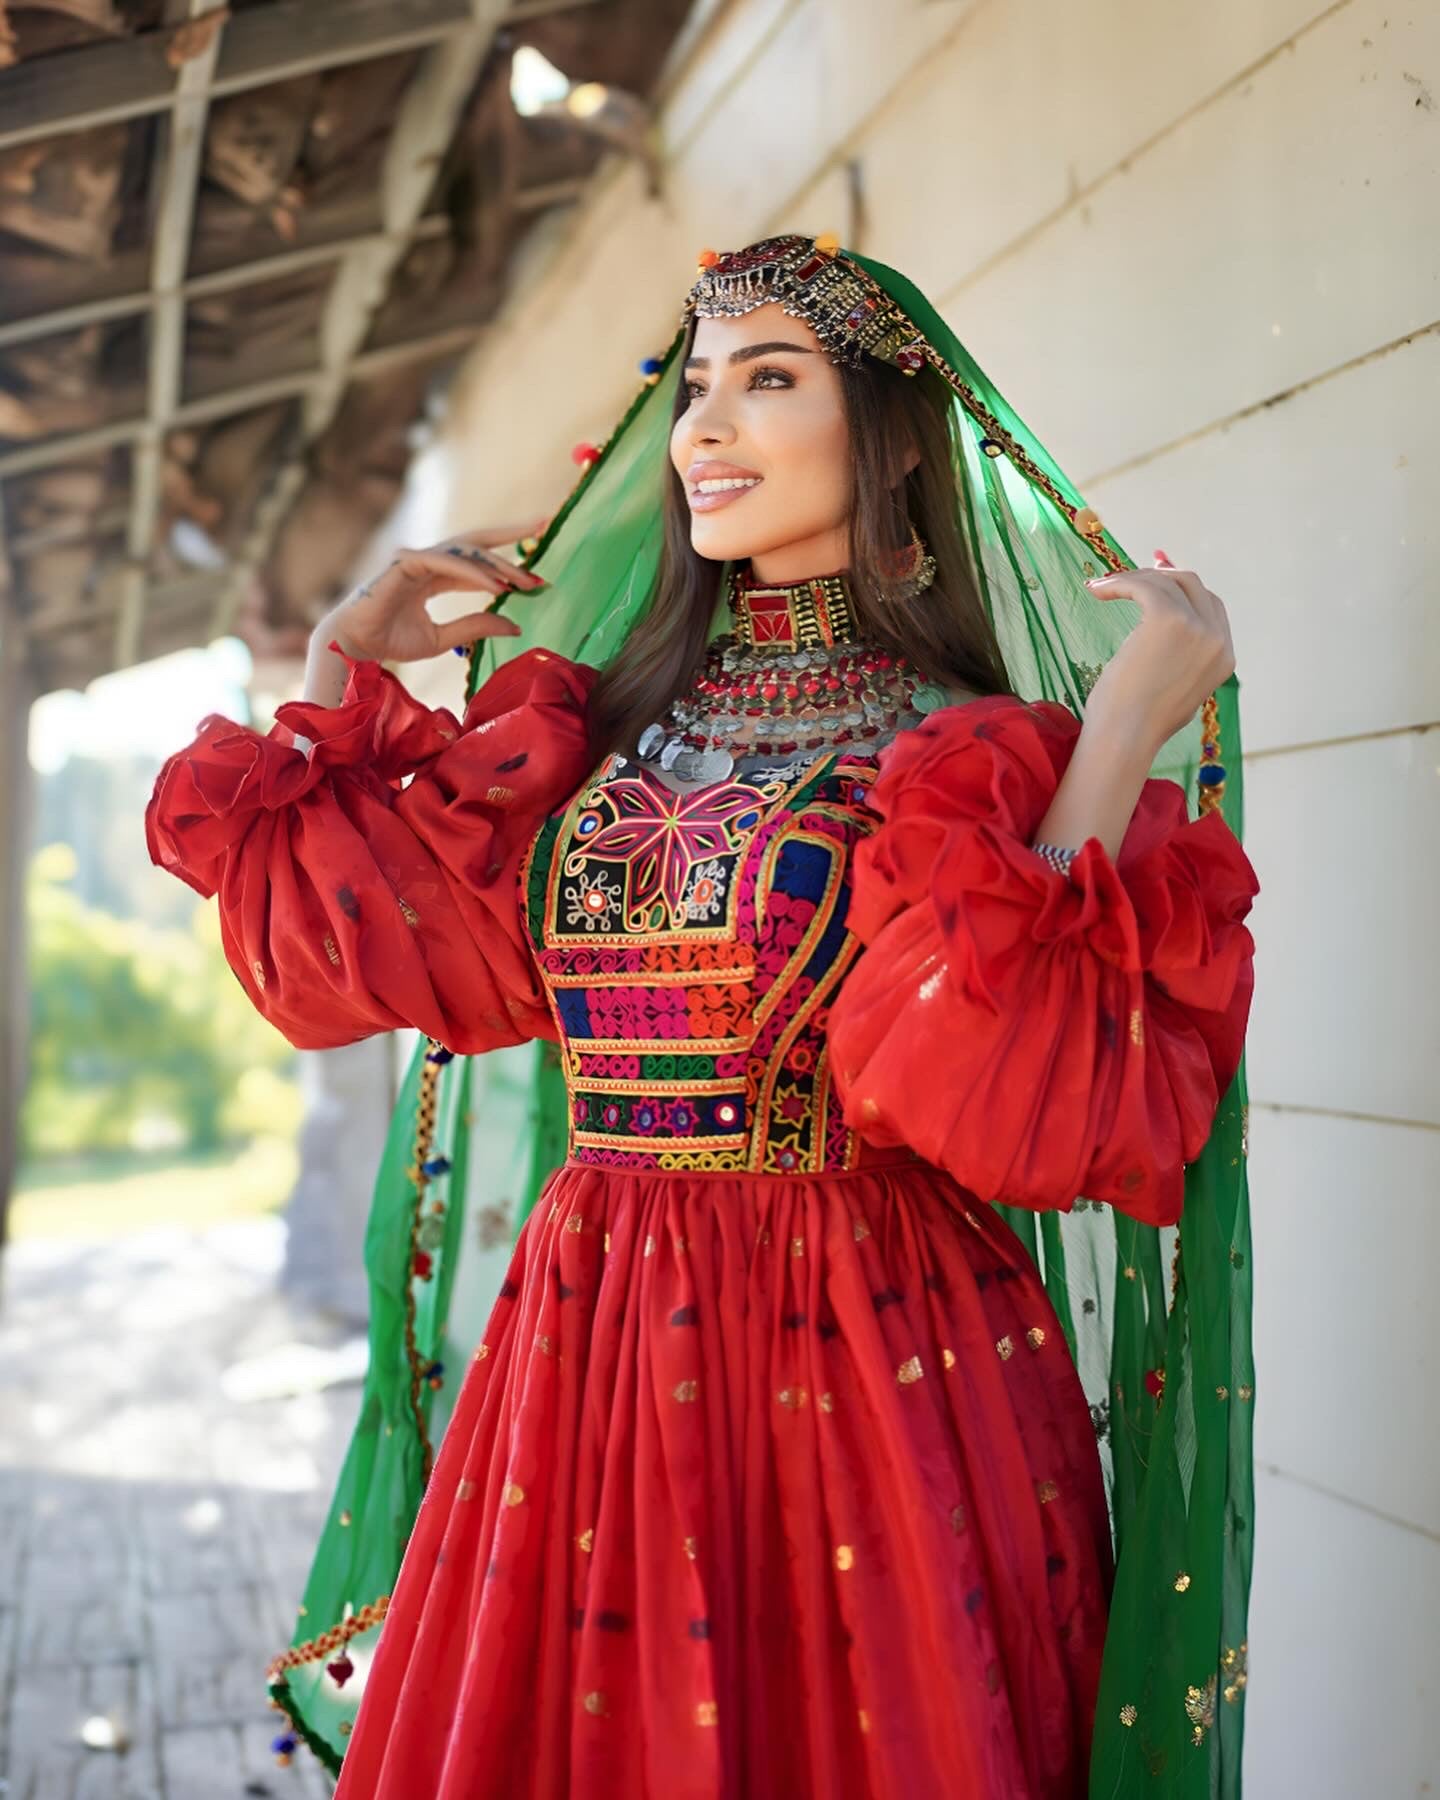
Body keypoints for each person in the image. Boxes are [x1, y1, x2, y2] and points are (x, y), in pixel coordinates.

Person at [146, 236, 1258, 1799]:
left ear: (885, 437)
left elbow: (1019, 1103)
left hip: (883, 1351)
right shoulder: (593, 728)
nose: (705, 429)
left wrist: (1128, 728)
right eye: (697, 386)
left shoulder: (967, 754)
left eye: (771, 378)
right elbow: (356, 964)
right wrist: (344, 660)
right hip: (590, 1338)